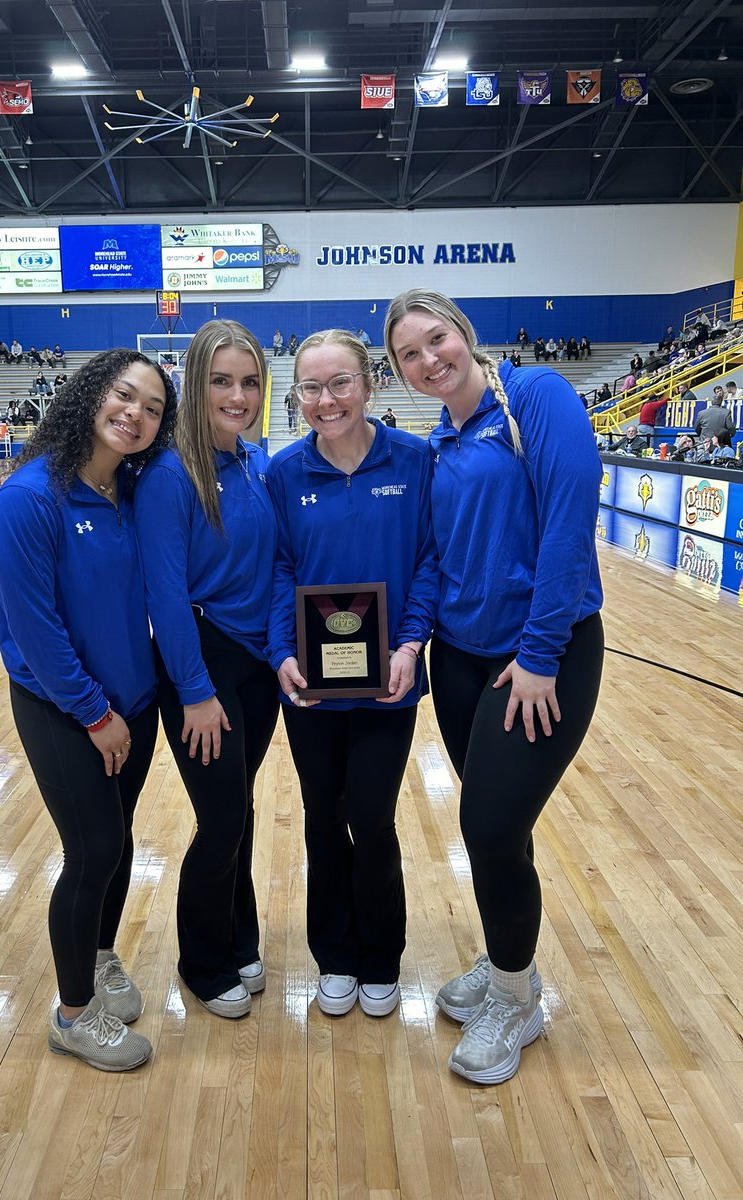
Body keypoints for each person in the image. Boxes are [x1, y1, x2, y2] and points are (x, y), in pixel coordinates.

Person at [385, 288, 604, 1085]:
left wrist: (542, 654)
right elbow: (438, 558)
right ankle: (506, 959)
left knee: (485, 826)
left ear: (464, 334)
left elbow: (570, 523)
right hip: (463, 662)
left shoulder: (535, 397)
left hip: (542, 658)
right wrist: (415, 640)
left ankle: (517, 1000)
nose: (428, 358)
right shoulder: (441, 442)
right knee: (500, 827)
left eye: (435, 339)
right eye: (410, 354)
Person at [0, 349, 176, 1072]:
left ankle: (99, 959)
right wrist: (95, 715)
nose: (136, 414)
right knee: (93, 849)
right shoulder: (30, 495)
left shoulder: (132, 488)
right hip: (65, 708)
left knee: (120, 841)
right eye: (124, 396)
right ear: (91, 394)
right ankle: (72, 1014)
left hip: (134, 703)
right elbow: (35, 629)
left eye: (153, 408)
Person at [267, 329, 436, 1020]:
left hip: (388, 681)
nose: (327, 399)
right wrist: (281, 650)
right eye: (312, 387)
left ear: (368, 385)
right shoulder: (284, 474)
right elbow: (279, 570)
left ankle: (380, 956)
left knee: (371, 817)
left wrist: (411, 644)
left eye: (340, 383)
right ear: (298, 395)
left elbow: (428, 559)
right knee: (320, 818)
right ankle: (333, 956)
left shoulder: (416, 460)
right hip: (310, 688)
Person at [136, 320, 278, 1020]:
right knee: (221, 819)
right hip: (200, 663)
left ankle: (239, 934)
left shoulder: (254, 461)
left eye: (248, 381)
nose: (238, 394)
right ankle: (201, 961)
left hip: (255, 665)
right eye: (221, 380)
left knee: (240, 810)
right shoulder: (169, 475)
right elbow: (164, 593)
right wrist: (193, 692)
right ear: (195, 384)